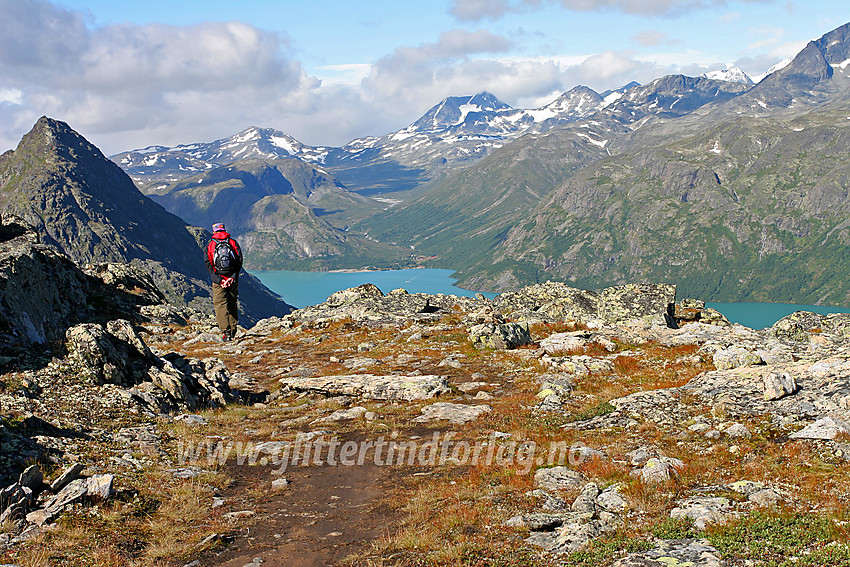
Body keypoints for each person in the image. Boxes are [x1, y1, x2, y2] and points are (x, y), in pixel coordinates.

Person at [204, 222, 243, 341]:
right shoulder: (232, 243)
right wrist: (232, 277)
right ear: (224, 230)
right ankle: (233, 330)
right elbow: (239, 261)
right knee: (232, 303)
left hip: (218, 281)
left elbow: (208, 264)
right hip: (232, 279)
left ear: (214, 231)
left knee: (220, 304)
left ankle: (225, 332)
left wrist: (220, 280)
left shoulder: (210, 245)